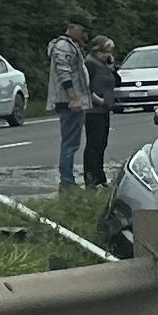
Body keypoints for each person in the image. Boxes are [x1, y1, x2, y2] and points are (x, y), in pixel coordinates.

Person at [47, 16, 91, 186]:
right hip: (68, 101)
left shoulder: (72, 46)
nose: (84, 35)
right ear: (73, 28)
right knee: (70, 143)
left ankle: (67, 178)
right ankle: (66, 180)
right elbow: (63, 72)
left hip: (73, 100)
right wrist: (73, 98)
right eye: (83, 31)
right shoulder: (64, 47)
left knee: (72, 142)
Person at [82, 36, 121, 187]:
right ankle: (91, 178)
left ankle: (100, 177)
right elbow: (85, 86)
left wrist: (112, 66)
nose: (109, 55)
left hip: (105, 109)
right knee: (94, 144)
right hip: (94, 109)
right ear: (98, 51)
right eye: (106, 52)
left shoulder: (105, 65)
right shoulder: (90, 64)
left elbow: (117, 81)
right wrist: (98, 100)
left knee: (102, 143)